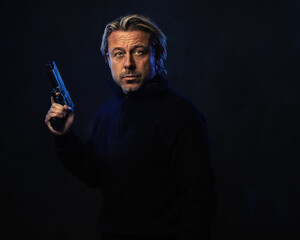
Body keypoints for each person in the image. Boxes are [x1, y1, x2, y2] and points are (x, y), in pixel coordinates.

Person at [45, 14, 217, 240]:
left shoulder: (182, 115)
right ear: (108, 59)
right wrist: (65, 136)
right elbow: (94, 175)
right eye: (118, 54)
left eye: (139, 51)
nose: (128, 63)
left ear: (157, 56)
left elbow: (200, 198)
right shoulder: (107, 112)